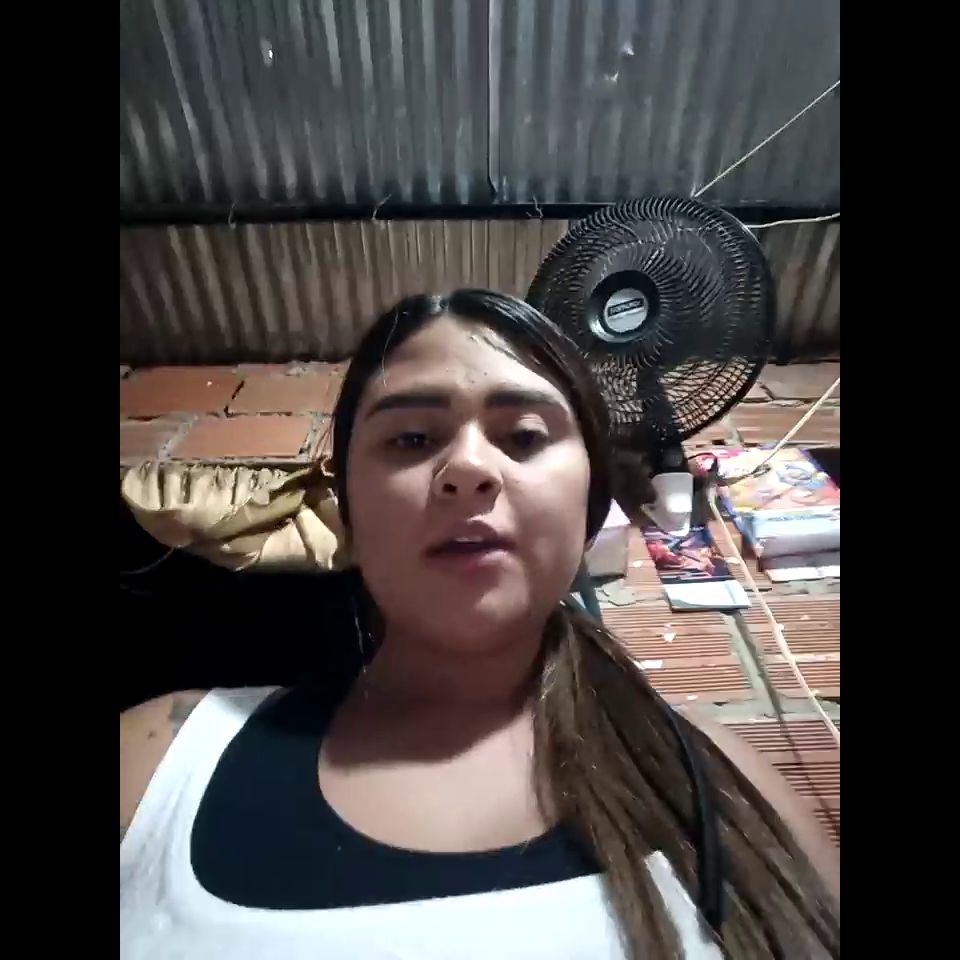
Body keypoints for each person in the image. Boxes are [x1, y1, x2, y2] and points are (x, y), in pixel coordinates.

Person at [120, 290, 840, 959]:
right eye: (410, 439)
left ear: (590, 501)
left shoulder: (729, 783)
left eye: (524, 436)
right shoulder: (155, 766)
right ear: (348, 509)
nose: (467, 468)